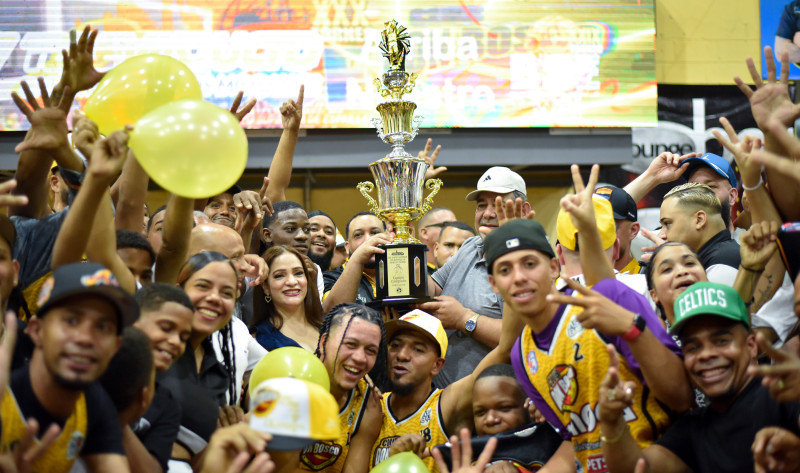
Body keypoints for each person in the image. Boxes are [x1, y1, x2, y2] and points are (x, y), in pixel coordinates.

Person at [486, 195, 690, 472]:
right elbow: (576, 442)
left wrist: (633, 330)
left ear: (554, 267)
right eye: (505, 270)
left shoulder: (608, 296)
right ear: (494, 284)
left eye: (530, 264)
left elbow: (682, 397)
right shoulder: (522, 356)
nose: (519, 277)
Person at [597, 282, 800, 473]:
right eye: (693, 347)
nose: (706, 354)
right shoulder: (694, 428)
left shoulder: (783, 394)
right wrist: (611, 421)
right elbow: (637, 467)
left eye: (721, 340)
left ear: (751, 346)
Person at [1, 262, 137, 473]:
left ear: (115, 346)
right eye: (71, 320)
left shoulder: (92, 402)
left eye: (103, 327)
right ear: (37, 331)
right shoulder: (4, 398)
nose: (85, 338)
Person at [420, 166, 533, 387]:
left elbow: (522, 340)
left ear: (524, 209)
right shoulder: (472, 245)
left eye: (498, 204)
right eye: (482, 205)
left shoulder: (528, 260)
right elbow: (431, 289)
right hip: (444, 398)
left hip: (496, 400)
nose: (488, 213)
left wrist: (465, 319)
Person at [165, 252, 251, 470]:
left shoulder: (219, 373)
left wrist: (228, 435)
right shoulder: (153, 347)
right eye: (203, 286)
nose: (214, 298)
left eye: (226, 293)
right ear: (178, 290)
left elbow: (200, 460)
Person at [298, 303, 385, 473]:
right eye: (351, 344)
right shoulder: (293, 381)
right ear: (324, 342)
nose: (360, 358)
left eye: (371, 350)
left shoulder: (369, 407)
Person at [132, 283, 194, 473]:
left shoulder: (166, 404)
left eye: (184, 337)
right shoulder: (94, 376)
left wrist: (115, 419)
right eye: (166, 328)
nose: (175, 341)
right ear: (131, 321)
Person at [659, 182, 740, 286]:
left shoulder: (722, 265)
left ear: (699, 220)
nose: (662, 234)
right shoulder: (718, 256)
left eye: (668, 223)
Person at [251, 245, 323, 351]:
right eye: (279, 275)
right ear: (266, 287)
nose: (292, 282)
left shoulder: (329, 327)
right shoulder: (256, 341)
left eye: (298, 273)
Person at [322, 212, 390, 311]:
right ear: (347, 247)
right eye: (358, 235)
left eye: (375, 233)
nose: (368, 240)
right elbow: (334, 313)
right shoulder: (330, 277)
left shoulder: (398, 272)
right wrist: (358, 259)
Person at [261, 201, 324, 301]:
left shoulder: (313, 270)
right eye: (290, 229)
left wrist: (312, 287)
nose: (302, 236)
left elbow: (316, 316)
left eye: (307, 229)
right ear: (268, 235)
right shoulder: (254, 270)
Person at [595, 185, 641, 274]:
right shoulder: (570, 279)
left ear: (633, 230)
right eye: (592, 225)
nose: (599, 233)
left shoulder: (649, 281)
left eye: (609, 226)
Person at [418, 207, 457, 275]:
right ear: (424, 233)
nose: (453, 230)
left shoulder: (460, 267)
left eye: (455, 225)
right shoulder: (415, 271)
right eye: (446, 225)